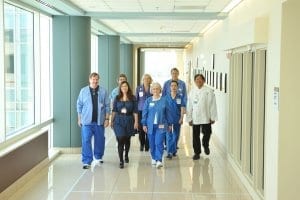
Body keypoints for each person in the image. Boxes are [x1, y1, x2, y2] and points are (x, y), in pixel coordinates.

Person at [76, 72, 110, 169]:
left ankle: (98, 157)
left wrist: (107, 119)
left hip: (99, 121)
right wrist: (79, 119)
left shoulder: (103, 91)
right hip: (86, 121)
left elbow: (108, 106)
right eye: (93, 79)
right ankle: (87, 161)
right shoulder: (83, 91)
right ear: (89, 80)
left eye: (96, 79)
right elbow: (79, 105)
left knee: (100, 140)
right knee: (86, 140)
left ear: (98, 80)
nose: (95, 81)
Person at [186, 74, 218, 160]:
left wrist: (213, 117)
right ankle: (197, 152)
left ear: (204, 81)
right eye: (196, 79)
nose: (198, 81)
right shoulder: (192, 92)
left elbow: (212, 105)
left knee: (207, 133)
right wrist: (189, 118)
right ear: (195, 81)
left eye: (200, 79)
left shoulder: (209, 91)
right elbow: (189, 106)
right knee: (195, 136)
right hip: (195, 117)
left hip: (206, 116)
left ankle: (205, 144)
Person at [141, 82, 172, 169]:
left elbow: (168, 113)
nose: (155, 90)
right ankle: (154, 157)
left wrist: (169, 124)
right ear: (151, 90)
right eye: (154, 89)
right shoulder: (148, 101)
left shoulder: (164, 101)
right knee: (152, 143)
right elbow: (145, 113)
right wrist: (144, 124)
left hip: (161, 125)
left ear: (160, 90)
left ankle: (159, 160)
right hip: (150, 125)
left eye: (157, 89)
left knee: (159, 142)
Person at [111, 81, 138, 169]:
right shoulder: (117, 98)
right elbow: (114, 110)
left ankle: (126, 154)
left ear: (128, 87)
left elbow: (135, 111)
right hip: (118, 120)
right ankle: (121, 161)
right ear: (120, 88)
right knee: (120, 138)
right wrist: (111, 121)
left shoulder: (133, 98)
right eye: (122, 86)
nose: (124, 88)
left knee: (127, 139)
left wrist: (136, 122)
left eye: (126, 86)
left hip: (129, 119)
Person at [165, 80, 186, 159]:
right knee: (168, 136)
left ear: (177, 87)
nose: (173, 87)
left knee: (176, 136)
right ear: (170, 87)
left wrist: (181, 118)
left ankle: (173, 150)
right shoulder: (166, 97)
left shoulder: (180, 97)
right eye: (172, 86)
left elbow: (182, 108)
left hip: (177, 119)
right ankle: (169, 152)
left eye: (175, 86)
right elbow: (164, 109)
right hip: (168, 120)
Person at [135, 73, 152, 151]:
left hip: (150, 111)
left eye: (148, 78)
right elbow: (136, 99)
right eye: (145, 78)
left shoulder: (152, 88)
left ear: (150, 80)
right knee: (141, 128)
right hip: (140, 110)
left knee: (148, 128)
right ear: (143, 80)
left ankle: (147, 145)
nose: (146, 80)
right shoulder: (139, 88)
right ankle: (142, 144)